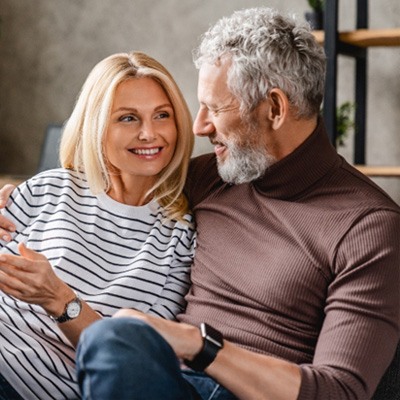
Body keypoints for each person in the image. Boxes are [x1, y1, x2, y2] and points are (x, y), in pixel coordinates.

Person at [1, 7, 400, 400]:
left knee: (113, 339)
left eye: (215, 107)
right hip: (155, 382)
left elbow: (341, 392)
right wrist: (13, 199)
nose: (198, 126)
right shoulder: (213, 176)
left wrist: (198, 344)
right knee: (115, 345)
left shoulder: (368, 227)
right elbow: (117, 172)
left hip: (241, 389)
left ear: (275, 108)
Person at [0, 51, 196, 400]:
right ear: (97, 126)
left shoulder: (179, 238)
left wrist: (59, 299)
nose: (149, 134)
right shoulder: (49, 188)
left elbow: (131, 358)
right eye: (128, 118)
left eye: (162, 115)